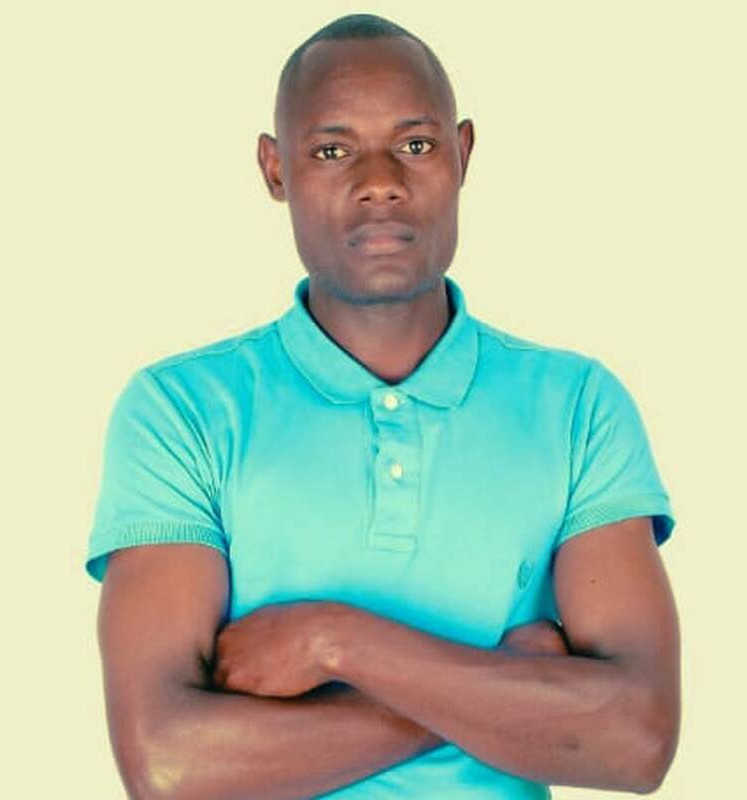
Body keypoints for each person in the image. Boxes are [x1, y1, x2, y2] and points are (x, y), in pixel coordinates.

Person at [86, 13, 680, 799]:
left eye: (417, 145)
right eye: (332, 151)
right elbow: (170, 766)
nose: (380, 181)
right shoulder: (182, 410)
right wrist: (503, 690)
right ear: (274, 169)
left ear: (463, 154)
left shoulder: (577, 406)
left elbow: (635, 741)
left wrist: (337, 644)